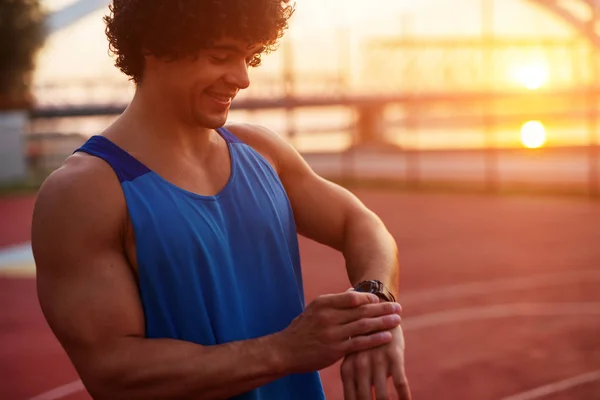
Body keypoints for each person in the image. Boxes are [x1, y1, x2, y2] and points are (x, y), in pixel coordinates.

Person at [31, 1, 411, 399]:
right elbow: (114, 372)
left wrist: (375, 307)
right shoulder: (83, 192)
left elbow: (362, 224)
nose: (243, 78)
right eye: (220, 57)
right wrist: (286, 350)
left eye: (248, 56)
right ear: (155, 47)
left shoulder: (263, 151)